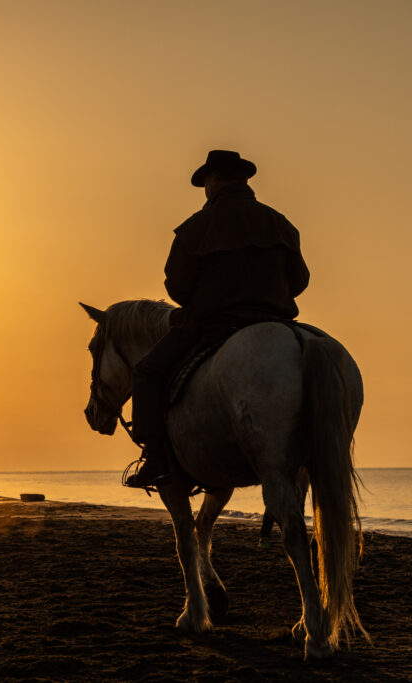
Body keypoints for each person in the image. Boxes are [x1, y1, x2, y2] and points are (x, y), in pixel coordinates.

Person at [126, 150, 310, 490]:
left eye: (206, 182)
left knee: (147, 373)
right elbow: (300, 281)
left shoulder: (195, 228)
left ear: (214, 179)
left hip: (212, 325)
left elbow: (177, 286)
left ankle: (155, 462)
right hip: (278, 320)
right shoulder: (281, 223)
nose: (206, 189)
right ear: (242, 179)